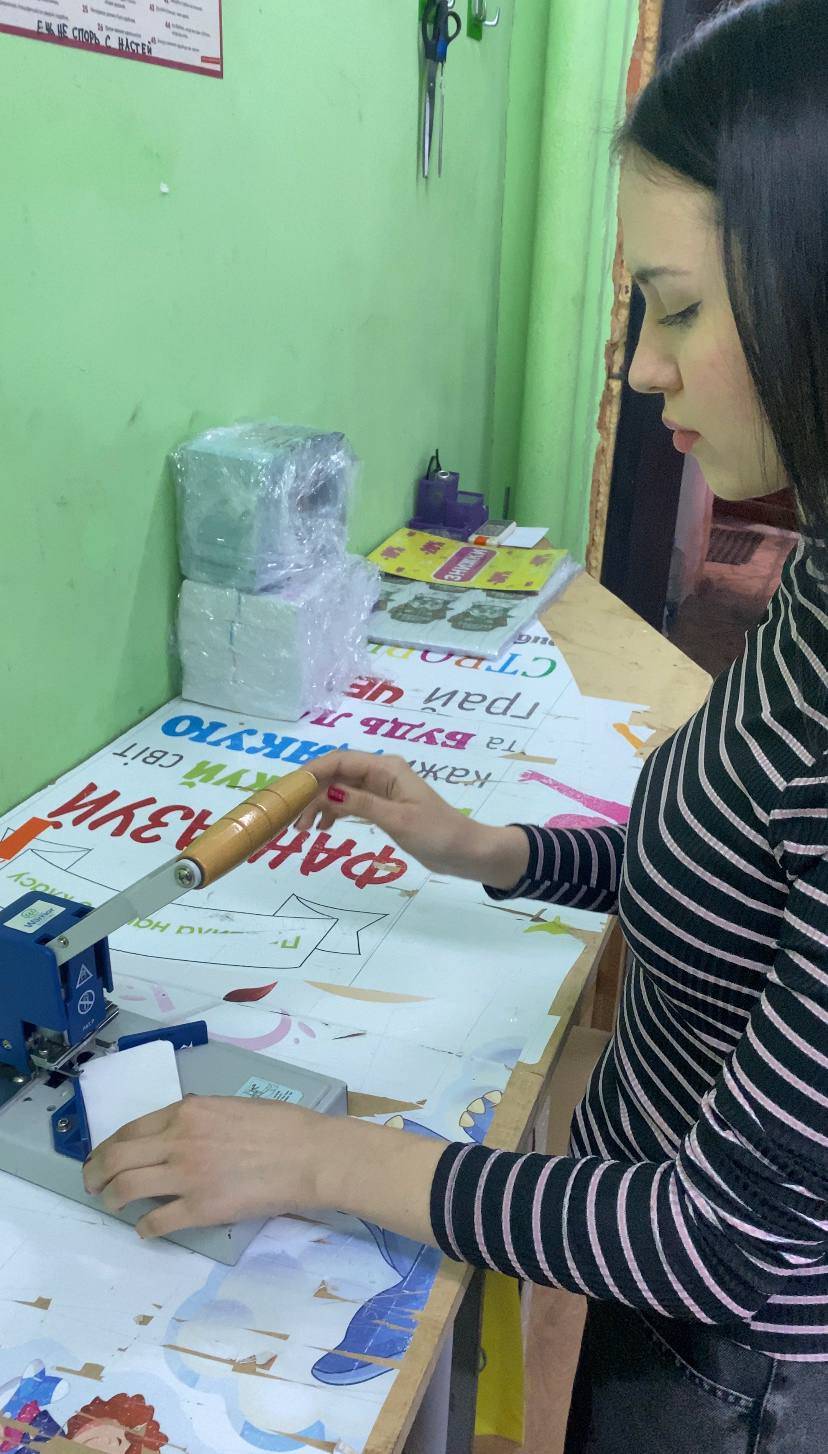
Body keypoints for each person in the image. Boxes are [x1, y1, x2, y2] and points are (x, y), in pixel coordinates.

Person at [85, 2, 828, 1447]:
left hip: (736, 1370)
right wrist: (492, 848)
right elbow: (746, 866)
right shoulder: (815, 577)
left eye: (678, 308)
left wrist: (326, 1157)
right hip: (643, 1274)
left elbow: (727, 1236)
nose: (641, 367)